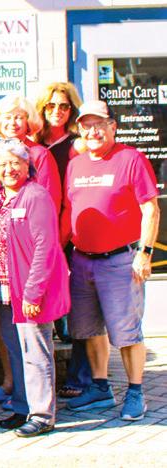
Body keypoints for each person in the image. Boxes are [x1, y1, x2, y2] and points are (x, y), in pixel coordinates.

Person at [61, 100, 160, 422]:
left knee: (127, 332)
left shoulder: (131, 159)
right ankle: (100, 387)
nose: (93, 131)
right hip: (82, 260)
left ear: (112, 127)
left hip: (120, 260)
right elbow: (70, 210)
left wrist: (144, 253)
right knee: (90, 329)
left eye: (99, 124)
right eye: (86, 125)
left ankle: (136, 392)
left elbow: (150, 209)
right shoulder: (76, 165)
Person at [0, 94, 61, 408]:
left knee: (34, 344)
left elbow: (46, 229)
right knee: (11, 339)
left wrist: (38, 281)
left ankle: (41, 409)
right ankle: (20, 395)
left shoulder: (37, 168)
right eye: (6, 116)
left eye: (19, 116)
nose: (8, 168)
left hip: (26, 273)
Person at [0, 140, 69, 437]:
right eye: (2, 164)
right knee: (17, 350)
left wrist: (34, 292)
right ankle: (22, 406)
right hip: (2, 289)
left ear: (26, 164)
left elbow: (46, 246)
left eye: (15, 162)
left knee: (35, 351)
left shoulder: (35, 195)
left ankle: (42, 415)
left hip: (28, 289)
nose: (9, 169)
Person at [33, 82, 91, 400]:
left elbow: (74, 197)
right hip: (39, 238)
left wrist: (59, 239)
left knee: (76, 308)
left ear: (72, 110)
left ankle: (80, 375)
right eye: (52, 105)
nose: (57, 111)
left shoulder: (76, 145)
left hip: (67, 236)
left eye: (64, 106)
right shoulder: (34, 143)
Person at [0, 95, 61, 209]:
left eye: (19, 117)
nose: (12, 122)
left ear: (28, 122)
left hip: (26, 218)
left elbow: (50, 199)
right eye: (7, 117)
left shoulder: (40, 154)